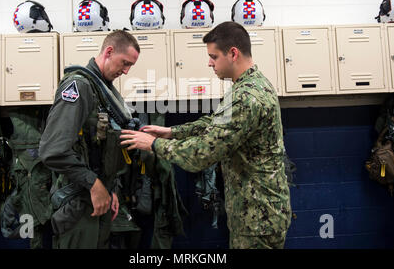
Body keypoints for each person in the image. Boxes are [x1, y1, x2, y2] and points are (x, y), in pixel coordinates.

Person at [120, 21, 292, 249]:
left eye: (214, 56)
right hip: (257, 213)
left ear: (233, 53)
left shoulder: (246, 96)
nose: (209, 63)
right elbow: (216, 123)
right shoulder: (252, 85)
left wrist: (154, 144)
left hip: (258, 218)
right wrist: (172, 132)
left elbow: (201, 154)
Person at [39, 30, 140, 249]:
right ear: (109, 51)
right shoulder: (79, 87)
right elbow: (52, 151)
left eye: (130, 65)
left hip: (97, 201)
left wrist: (109, 189)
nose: (126, 71)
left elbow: (101, 148)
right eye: (124, 63)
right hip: (78, 204)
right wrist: (95, 185)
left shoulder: (103, 91)